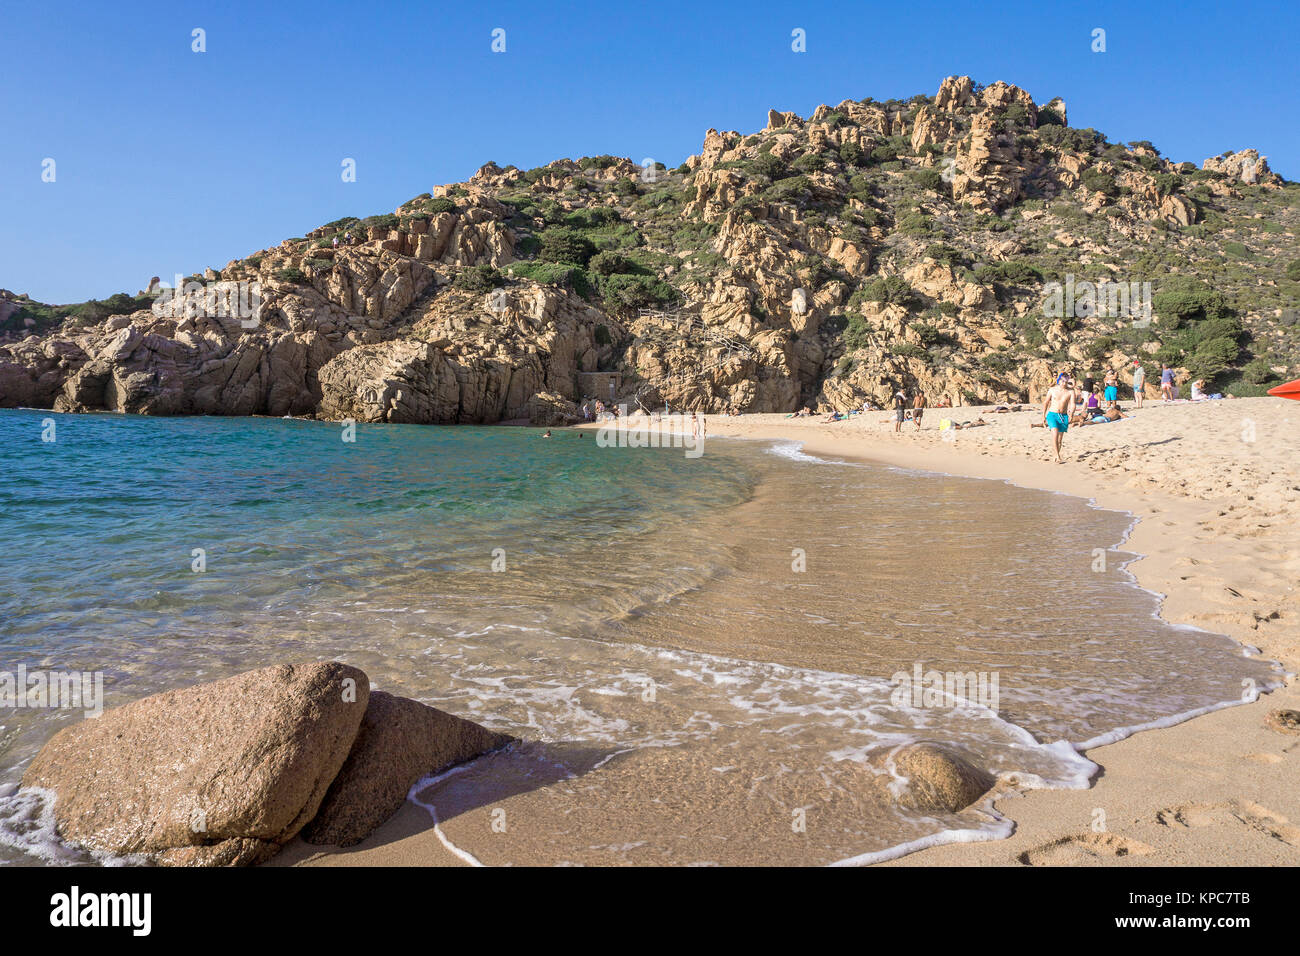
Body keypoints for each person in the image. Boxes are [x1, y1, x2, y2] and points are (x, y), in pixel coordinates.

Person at [1042, 373, 1074, 463]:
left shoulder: (1070, 392)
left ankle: (1055, 455)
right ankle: (1057, 455)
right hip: (1052, 414)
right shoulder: (1052, 390)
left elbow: (1073, 404)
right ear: (1059, 380)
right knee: (1055, 433)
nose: (1064, 383)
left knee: (1060, 440)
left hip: (1063, 416)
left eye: (1066, 382)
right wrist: (1043, 416)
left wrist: (1071, 414)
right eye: (1063, 381)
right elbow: (1046, 402)